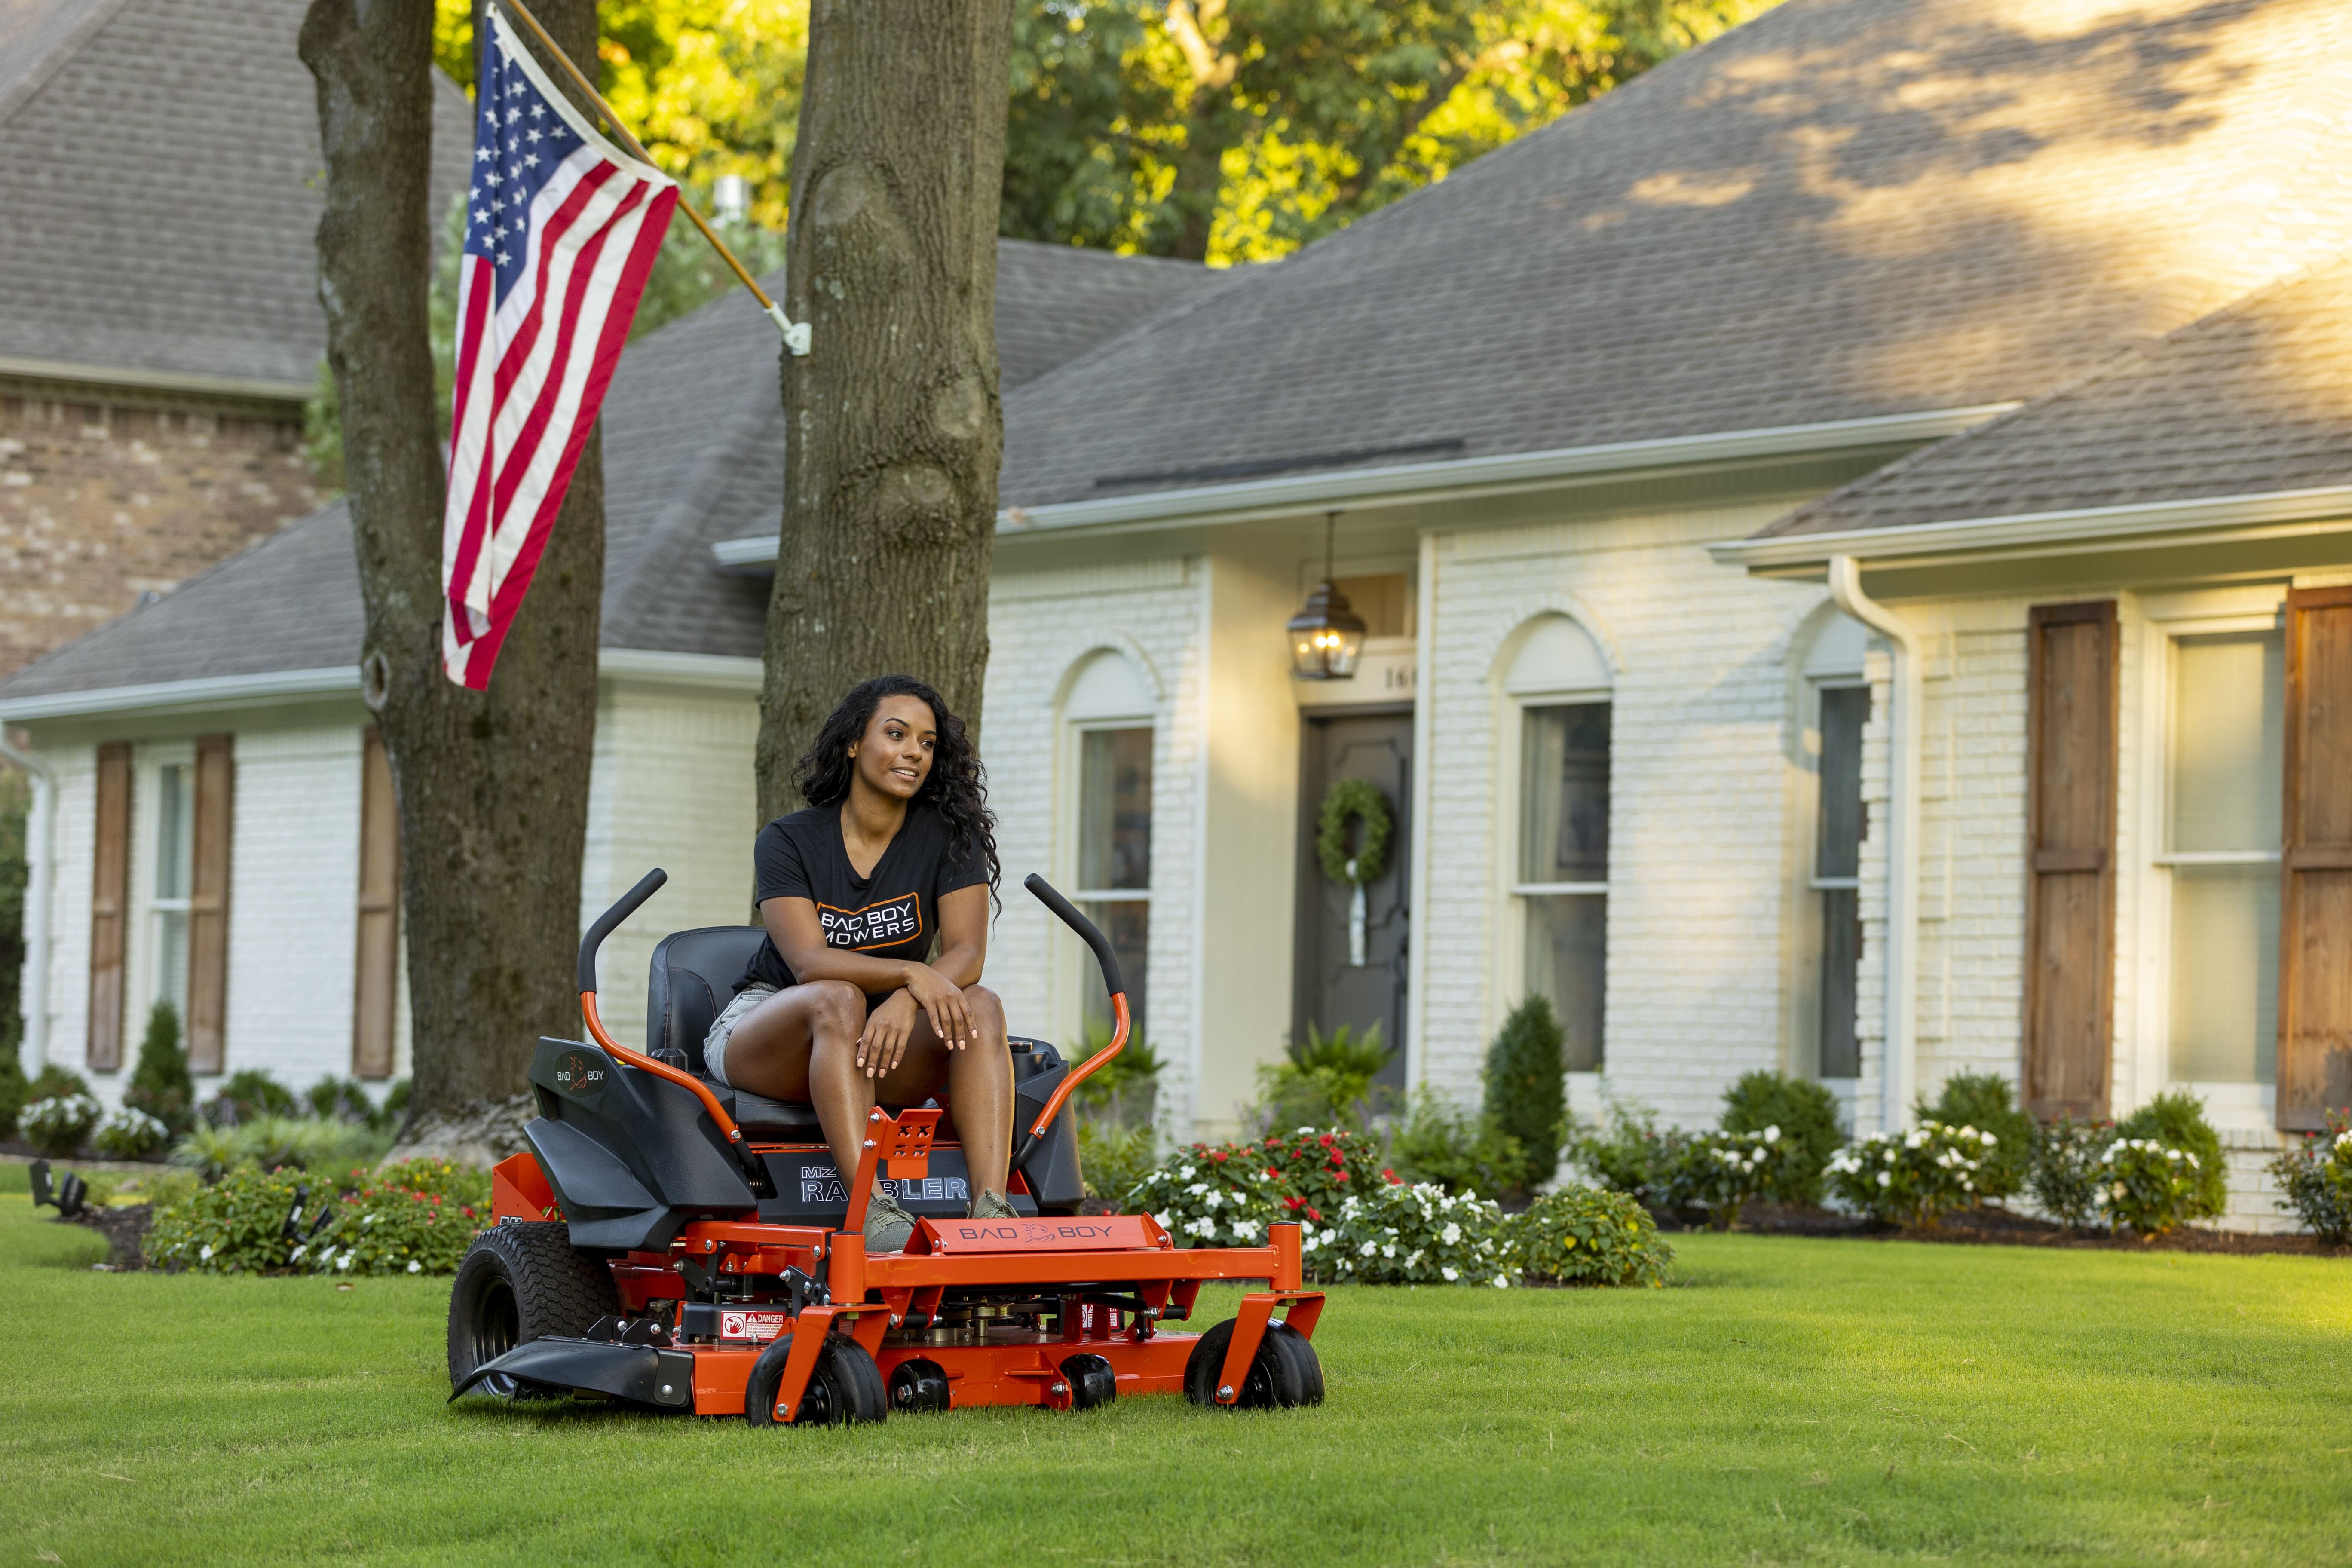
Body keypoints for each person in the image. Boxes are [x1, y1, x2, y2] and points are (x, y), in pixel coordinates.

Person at [703, 674, 1016, 1252]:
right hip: (776, 1025)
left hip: (880, 1037)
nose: (913, 753)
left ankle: (991, 1212)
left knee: (982, 1006)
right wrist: (907, 973)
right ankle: (868, 1211)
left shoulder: (948, 837)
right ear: (853, 743)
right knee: (837, 997)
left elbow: (968, 953)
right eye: (896, 734)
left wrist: (906, 997)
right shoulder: (788, 839)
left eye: (927, 743)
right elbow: (808, 962)